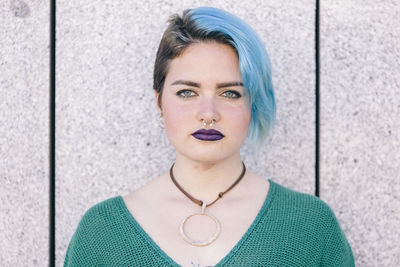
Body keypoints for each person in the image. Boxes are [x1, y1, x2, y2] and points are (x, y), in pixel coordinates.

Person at [64, 6, 355, 267]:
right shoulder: (101, 235)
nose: (208, 113)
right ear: (159, 102)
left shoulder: (310, 227)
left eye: (230, 93)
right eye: (186, 92)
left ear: (252, 103)